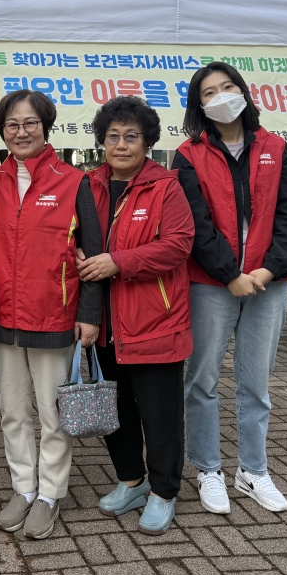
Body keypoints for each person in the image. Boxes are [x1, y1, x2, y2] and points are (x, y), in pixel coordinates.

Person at [173, 62, 287, 516]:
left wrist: (266, 273)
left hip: (269, 285)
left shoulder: (276, 148)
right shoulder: (187, 155)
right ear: (200, 106)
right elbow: (194, 223)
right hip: (211, 284)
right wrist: (230, 274)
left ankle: (253, 470)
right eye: (209, 92)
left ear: (244, 92)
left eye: (228, 86)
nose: (221, 96)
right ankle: (208, 468)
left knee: (256, 384)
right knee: (202, 380)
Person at [0, 90, 102, 540]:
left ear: (46, 126)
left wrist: (88, 315)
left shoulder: (75, 182)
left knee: (53, 414)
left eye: (30, 122)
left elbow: (91, 254)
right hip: (5, 316)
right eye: (12, 124)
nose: (21, 131)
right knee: (12, 411)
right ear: (2, 131)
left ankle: (51, 493)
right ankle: (23, 488)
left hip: (55, 314)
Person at [78, 96, 195, 536]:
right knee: (116, 411)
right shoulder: (88, 185)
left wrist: (118, 261)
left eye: (131, 137)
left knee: (160, 417)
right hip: (103, 325)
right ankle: (132, 481)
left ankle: (164, 492)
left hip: (154, 324)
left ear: (147, 142)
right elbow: (71, 235)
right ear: (101, 141)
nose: (121, 145)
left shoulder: (165, 186)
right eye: (113, 137)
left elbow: (179, 244)